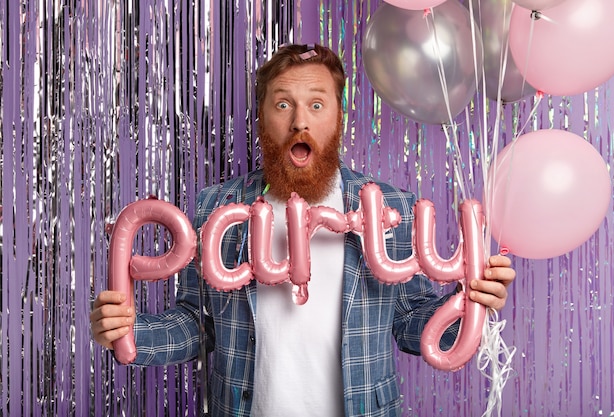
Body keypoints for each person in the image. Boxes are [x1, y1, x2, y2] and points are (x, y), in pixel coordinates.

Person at [91, 43, 516, 417]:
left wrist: (469, 306)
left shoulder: (392, 209)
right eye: (282, 105)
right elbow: (196, 323)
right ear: (262, 117)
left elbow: (408, 321)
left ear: (340, 117)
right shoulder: (214, 208)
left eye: (316, 104)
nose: (299, 122)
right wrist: (128, 331)